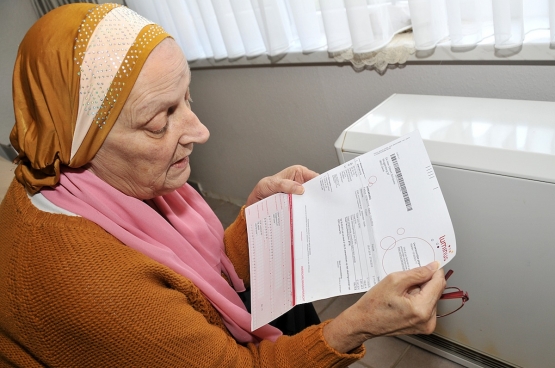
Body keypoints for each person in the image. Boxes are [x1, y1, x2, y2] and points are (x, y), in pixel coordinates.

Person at [0, 3, 445, 367]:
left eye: (188, 98)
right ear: (84, 144)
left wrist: (253, 223)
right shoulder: (90, 283)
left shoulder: (109, 179)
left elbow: (198, 279)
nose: (200, 131)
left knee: (292, 305)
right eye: (160, 120)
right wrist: (358, 325)